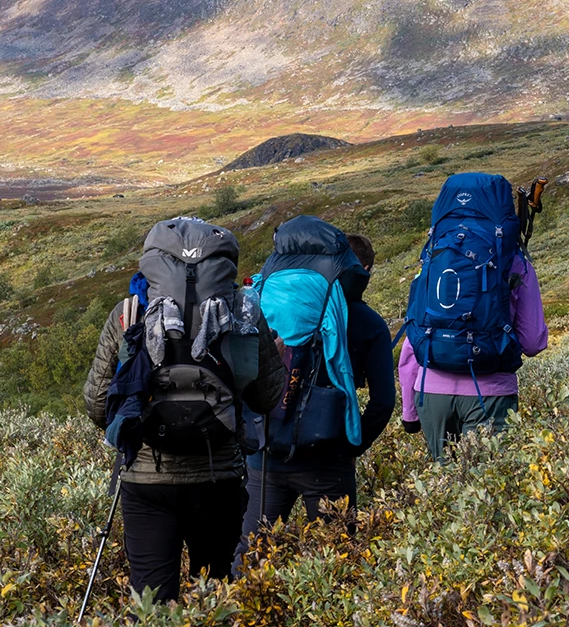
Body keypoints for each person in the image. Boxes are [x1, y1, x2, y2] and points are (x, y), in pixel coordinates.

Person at [84, 216, 285, 603]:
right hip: (218, 477)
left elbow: (97, 405)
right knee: (213, 598)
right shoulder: (244, 312)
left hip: (146, 480)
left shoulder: (129, 313)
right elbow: (266, 399)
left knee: (151, 601)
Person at [240, 232, 396, 541]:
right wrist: (353, 446)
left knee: (250, 561)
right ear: (359, 270)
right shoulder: (369, 322)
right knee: (337, 560)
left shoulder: (266, 310)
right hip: (329, 462)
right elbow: (383, 402)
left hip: (265, 457)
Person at [399, 174, 549, 460]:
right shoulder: (516, 262)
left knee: (443, 490)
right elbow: (532, 342)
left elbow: (415, 334)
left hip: (431, 393)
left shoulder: (433, 258)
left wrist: (409, 409)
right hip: (490, 392)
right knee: (487, 493)